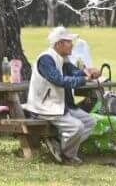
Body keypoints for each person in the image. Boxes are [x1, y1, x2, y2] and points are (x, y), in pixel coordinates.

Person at [26, 26, 101, 165]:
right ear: (59, 43)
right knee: (77, 127)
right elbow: (59, 80)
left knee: (90, 122)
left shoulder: (63, 59)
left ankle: (60, 147)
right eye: (69, 41)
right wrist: (84, 79)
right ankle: (68, 156)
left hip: (61, 104)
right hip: (45, 106)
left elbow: (74, 73)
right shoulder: (46, 59)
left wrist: (88, 72)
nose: (72, 44)